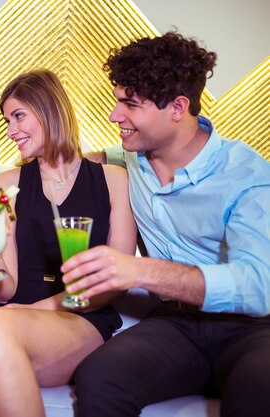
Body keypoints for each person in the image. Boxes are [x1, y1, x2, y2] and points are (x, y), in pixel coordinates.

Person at [67, 32, 270, 416]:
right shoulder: (131, 157)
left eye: (130, 104)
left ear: (178, 107)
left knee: (261, 390)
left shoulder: (248, 176)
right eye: (116, 101)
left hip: (254, 327)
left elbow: (259, 286)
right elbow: (71, 164)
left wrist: (141, 271)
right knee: (99, 377)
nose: (115, 116)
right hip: (177, 324)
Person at [0, 69, 137, 417]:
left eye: (19, 116)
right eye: (7, 120)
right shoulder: (5, 183)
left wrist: (29, 311)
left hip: (79, 316)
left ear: (50, 109)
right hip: (6, 313)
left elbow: (115, 282)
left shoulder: (115, 180)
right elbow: (5, 292)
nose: (10, 131)